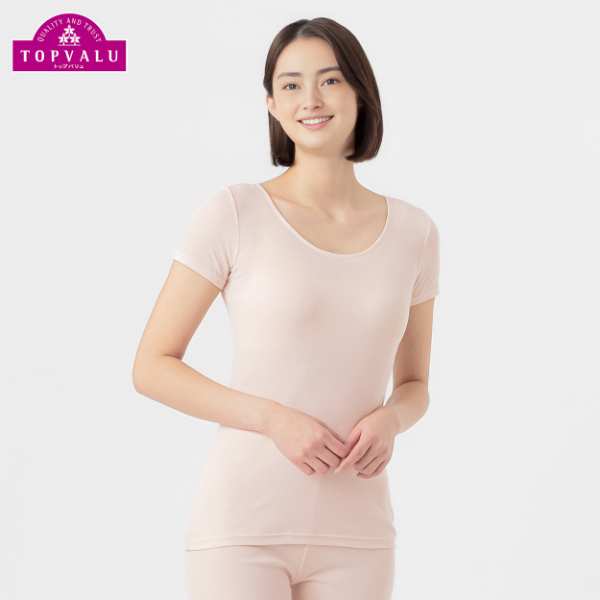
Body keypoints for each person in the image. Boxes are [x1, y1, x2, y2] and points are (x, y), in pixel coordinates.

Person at [133, 16, 440, 600]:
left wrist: (391, 420)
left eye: (330, 80)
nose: (311, 99)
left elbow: (416, 384)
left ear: (360, 93)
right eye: (292, 84)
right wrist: (274, 419)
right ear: (272, 105)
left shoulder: (414, 233)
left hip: (359, 533)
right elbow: (151, 366)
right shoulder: (234, 213)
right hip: (242, 527)